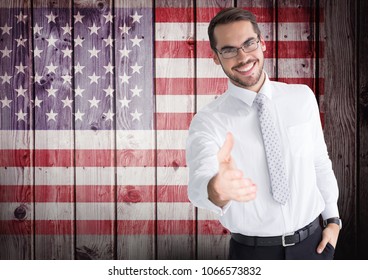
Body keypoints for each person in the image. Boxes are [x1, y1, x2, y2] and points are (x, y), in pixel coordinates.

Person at [186, 7, 341, 260]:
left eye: (249, 43)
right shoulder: (208, 121)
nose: (243, 57)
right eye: (229, 49)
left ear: (263, 43)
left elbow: (319, 163)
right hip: (253, 255)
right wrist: (218, 188)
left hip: (316, 247)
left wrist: (333, 220)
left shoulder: (301, 98)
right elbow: (198, 186)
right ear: (216, 57)